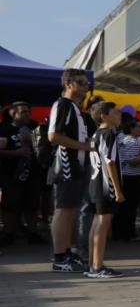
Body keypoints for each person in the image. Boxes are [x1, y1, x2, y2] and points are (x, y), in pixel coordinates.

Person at [48, 69, 92, 272]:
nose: (86, 87)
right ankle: (59, 256)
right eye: (81, 82)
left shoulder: (75, 109)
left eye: (86, 83)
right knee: (63, 210)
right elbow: (53, 135)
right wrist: (83, 146)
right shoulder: (63, 104)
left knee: (70, 210)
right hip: (65, 163)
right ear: (68, 84)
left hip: (76, 164)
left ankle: (66, 252)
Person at [85, 101, 125, 278]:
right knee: (103, 224)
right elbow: (110, 162)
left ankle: (92, 263)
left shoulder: (96, 134)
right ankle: (98, 266)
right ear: (104, 116)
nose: (119, 114)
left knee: (96, 223)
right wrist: (117, 189)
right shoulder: (109, 134)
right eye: (115, 112)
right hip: (104, 185)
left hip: (94, 182)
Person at [0, 102, 44, 245]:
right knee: (10, 204)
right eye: (23, 112)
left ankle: (33, 232)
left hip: (33, 173)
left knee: (32, 204)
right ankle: (9, 233)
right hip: (11, 173)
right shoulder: (4, 129)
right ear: (13, 113)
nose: (27, 115)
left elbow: (45, 145)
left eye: (28, 112)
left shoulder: (35, 127)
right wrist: (15, 153)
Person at [113, 117, 140, 242]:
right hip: (133, 177)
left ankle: (119, 232)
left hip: (124, 176)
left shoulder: (120, 138)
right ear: (131, 128)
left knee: (124, 208)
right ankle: (129, 233)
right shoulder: (133, 141)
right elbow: (133, 161)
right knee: (131, 207)